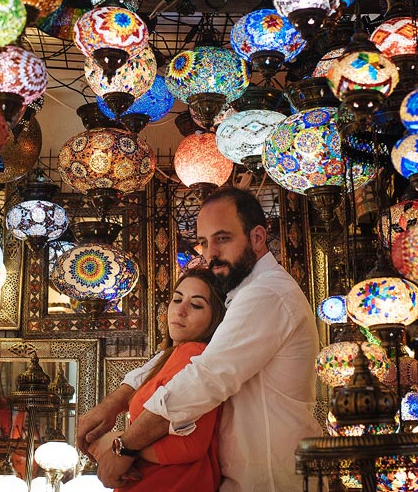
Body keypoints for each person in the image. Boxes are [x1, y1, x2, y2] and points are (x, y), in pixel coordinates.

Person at [79, 187, 322, 492]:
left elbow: (203, 377)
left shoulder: (266, 293)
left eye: (223, 239)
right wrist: (115, 402)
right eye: (205, 243)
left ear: (258, 238)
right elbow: (184, 357)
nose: (210, 254)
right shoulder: (246, 292)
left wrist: (123, 446)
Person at [92, 267, 227, 492]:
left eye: (196, 305)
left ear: (215, 319)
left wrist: (118, 446)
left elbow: (190, 445)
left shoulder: (194, 353)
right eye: (176, 299)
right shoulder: (172, 356)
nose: (180, 311)